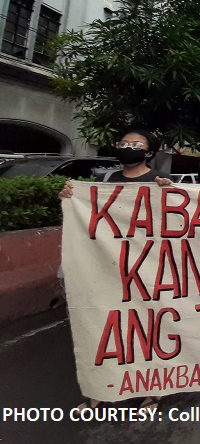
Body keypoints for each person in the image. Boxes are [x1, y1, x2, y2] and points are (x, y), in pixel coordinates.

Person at [58, 127, 171, 412]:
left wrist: (171, 194)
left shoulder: (160, 183)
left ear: (149, 153)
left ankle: (153, 392)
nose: (128, 147)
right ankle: (102, 390)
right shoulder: (104, 180)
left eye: (136, 144)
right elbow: (88, 219)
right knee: (107, 331)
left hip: (149, 271)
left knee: (148, 330)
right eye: (123, 142)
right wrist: (70, 198)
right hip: (108, 270)